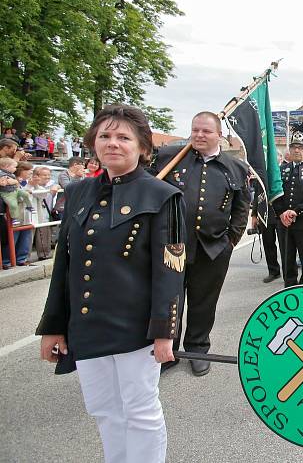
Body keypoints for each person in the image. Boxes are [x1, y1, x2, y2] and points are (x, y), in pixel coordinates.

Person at [36, 105, 185, 463]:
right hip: (87, 327)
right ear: (93, 143)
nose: (112, 143)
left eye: (123, 137)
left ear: (142, 147)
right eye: (105, 136)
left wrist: (165, 332)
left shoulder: (162, 196)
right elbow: (65, 266)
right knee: (104, 410)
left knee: (141, 411)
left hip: (136, 330)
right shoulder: (78, 192)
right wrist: (53, 327)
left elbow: (171, 271)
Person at [153, 111, 250, 376]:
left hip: (213, 247)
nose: (199, 135)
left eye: (206, 131)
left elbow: (242, 208)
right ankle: (168, 351)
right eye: (195, 130)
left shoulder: (236, 168)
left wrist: (231, 240)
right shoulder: (170, 158)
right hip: (172, 246)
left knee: (203, 301)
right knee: (170, 300)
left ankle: (197, 349)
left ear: (219, 135)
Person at [273, 122, 303, 287]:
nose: (296, 150)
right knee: (287, 260)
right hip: (284, 224)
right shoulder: (282, 170)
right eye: (293, 146)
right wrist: (281, 213)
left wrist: (294, 212)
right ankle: (289, 289)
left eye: (300, 147)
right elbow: (276, 194)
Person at [250, 183, 282, 284]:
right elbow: (257, 196)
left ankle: (289, 272)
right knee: (268, 244)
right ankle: (274, 271)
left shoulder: (280, 171)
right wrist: (254, 214)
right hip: (266, 214)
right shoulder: (261, 175)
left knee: (286, 245)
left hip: (281, 212)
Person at [27, 166, 61, 260]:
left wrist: (56, 186)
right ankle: (24, 257)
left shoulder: (51, 184)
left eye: (49, 175)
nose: (47, 177)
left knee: (44, 233)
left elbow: (58, 185)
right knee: (29, 235)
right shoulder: (30, 184)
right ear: (37, 175)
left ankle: (44, 254)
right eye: (44, 175)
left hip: (45, 213)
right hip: (33, 213)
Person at [0, 157, 35, 227]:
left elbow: (14, 183)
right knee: (13, 204)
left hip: (15, 190)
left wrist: (14, 181)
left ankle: (29, 206)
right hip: (7, 193)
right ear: (6, 167)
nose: (15, 169)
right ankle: (14, 218)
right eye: (14, 167)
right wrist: (13, 181)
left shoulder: (12, 175)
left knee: (25, 194)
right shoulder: (2, 174)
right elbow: (3, 183)